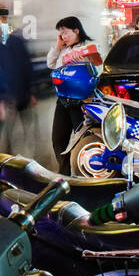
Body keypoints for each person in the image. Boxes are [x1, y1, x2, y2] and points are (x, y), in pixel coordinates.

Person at [46, 16, 103, 174]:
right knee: (58, 139)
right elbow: (50, 64)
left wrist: (84, 59)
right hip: (63, 101)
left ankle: (83, 172)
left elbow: (98, 67)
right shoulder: (63, 49)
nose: (63, 37)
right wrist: (58, 45)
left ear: (76, 30)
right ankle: (64, 174)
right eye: (61, 34)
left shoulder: (89, 46)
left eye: (65, 33)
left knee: (81, 139)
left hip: (81, 101)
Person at [0, 23, 38, 155]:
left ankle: (7, 150)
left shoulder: (3, 53)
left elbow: (0, 75)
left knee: (9, 126)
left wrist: (2, 97)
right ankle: (30, 148)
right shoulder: (23, 52)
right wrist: (31, 93)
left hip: (10, 96)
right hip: (23, 95)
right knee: (27, 123)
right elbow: (29, 73)